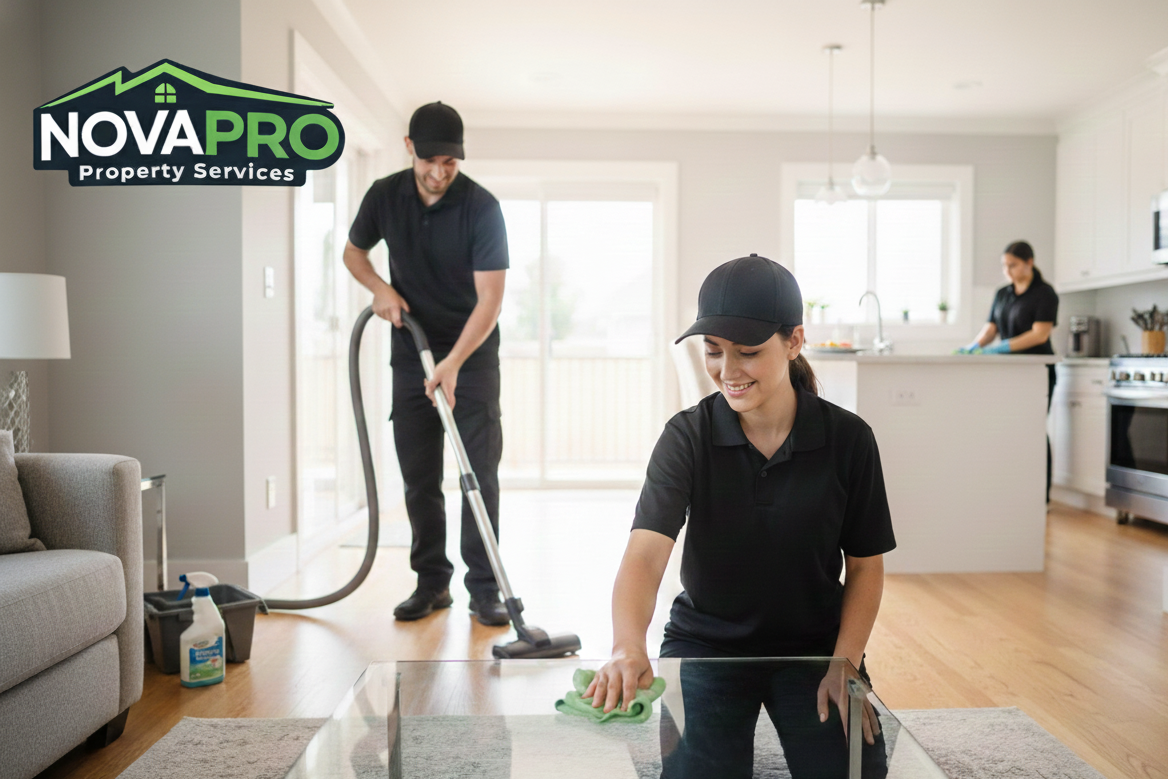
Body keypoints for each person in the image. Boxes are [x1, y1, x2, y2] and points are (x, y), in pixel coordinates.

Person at [587, 254, 896, 777]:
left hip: (815, 646)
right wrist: (626, 644)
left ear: (794, 341)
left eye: (748, 353)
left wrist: (845, 663)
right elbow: (645, 553)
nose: (727, 372)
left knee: (855, 771)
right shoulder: (686, 436)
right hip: (706, 643)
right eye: (714, 352)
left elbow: (865, 565)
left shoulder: (849, 440)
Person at [342, 102, 511, 626]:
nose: (439, 173)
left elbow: (490, 299)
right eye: (430, 160)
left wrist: (455, 362)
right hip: (410, 355)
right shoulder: (384, 196)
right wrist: (380, 288)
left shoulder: (481, 207)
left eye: (451, 163)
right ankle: (431, 582)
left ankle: (485, 590)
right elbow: (354, 253)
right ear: (409, 147)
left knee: (476, 475)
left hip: (472, 358)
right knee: (420, 476)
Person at [957, 241, 1059, 502]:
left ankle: (1041, 497)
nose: (1007, 271)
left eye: (1012, 265)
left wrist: (1002, 347)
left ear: (1029, 263)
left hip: (1036, 371)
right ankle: (1012, 493)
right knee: (1009, 429)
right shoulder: (1003, 293)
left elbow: (1040, 334)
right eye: (1004, 265)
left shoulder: (1045, 294)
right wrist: (973, 347)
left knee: (1035, 429)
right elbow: (991, 328)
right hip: (1007, 373)